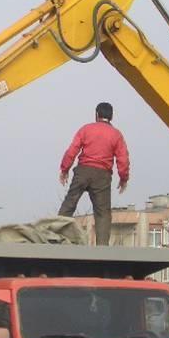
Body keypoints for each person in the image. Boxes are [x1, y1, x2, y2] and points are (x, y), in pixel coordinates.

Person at [58, 102, 129, 246]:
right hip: (102, 176)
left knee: (69, 203)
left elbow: (72, 150)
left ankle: (55, 235)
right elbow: (123, 159)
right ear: (111, 116)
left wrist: (64, 169)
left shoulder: (86, 129)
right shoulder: (116, 135)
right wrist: (123, 178)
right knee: (102, 213)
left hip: (83, 171)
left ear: (96, 114)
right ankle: (102, 247)